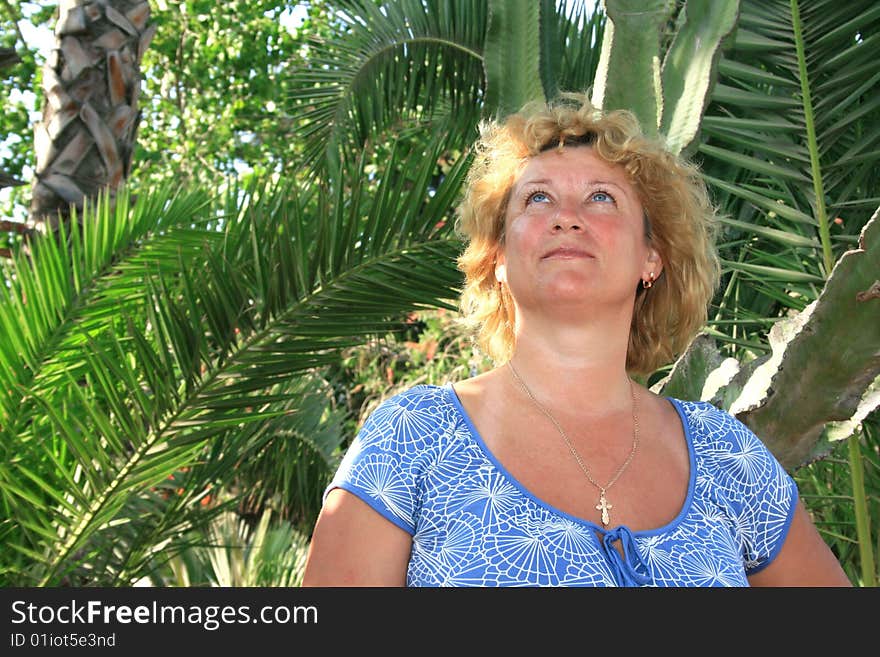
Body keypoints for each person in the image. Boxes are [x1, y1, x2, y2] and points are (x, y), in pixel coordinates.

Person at [301, 93, 851, 587]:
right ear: (497, 258)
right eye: (537, 199)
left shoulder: (727, 456)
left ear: (651, 258)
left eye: (602, 199)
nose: (567, 218)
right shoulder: (414, 436)